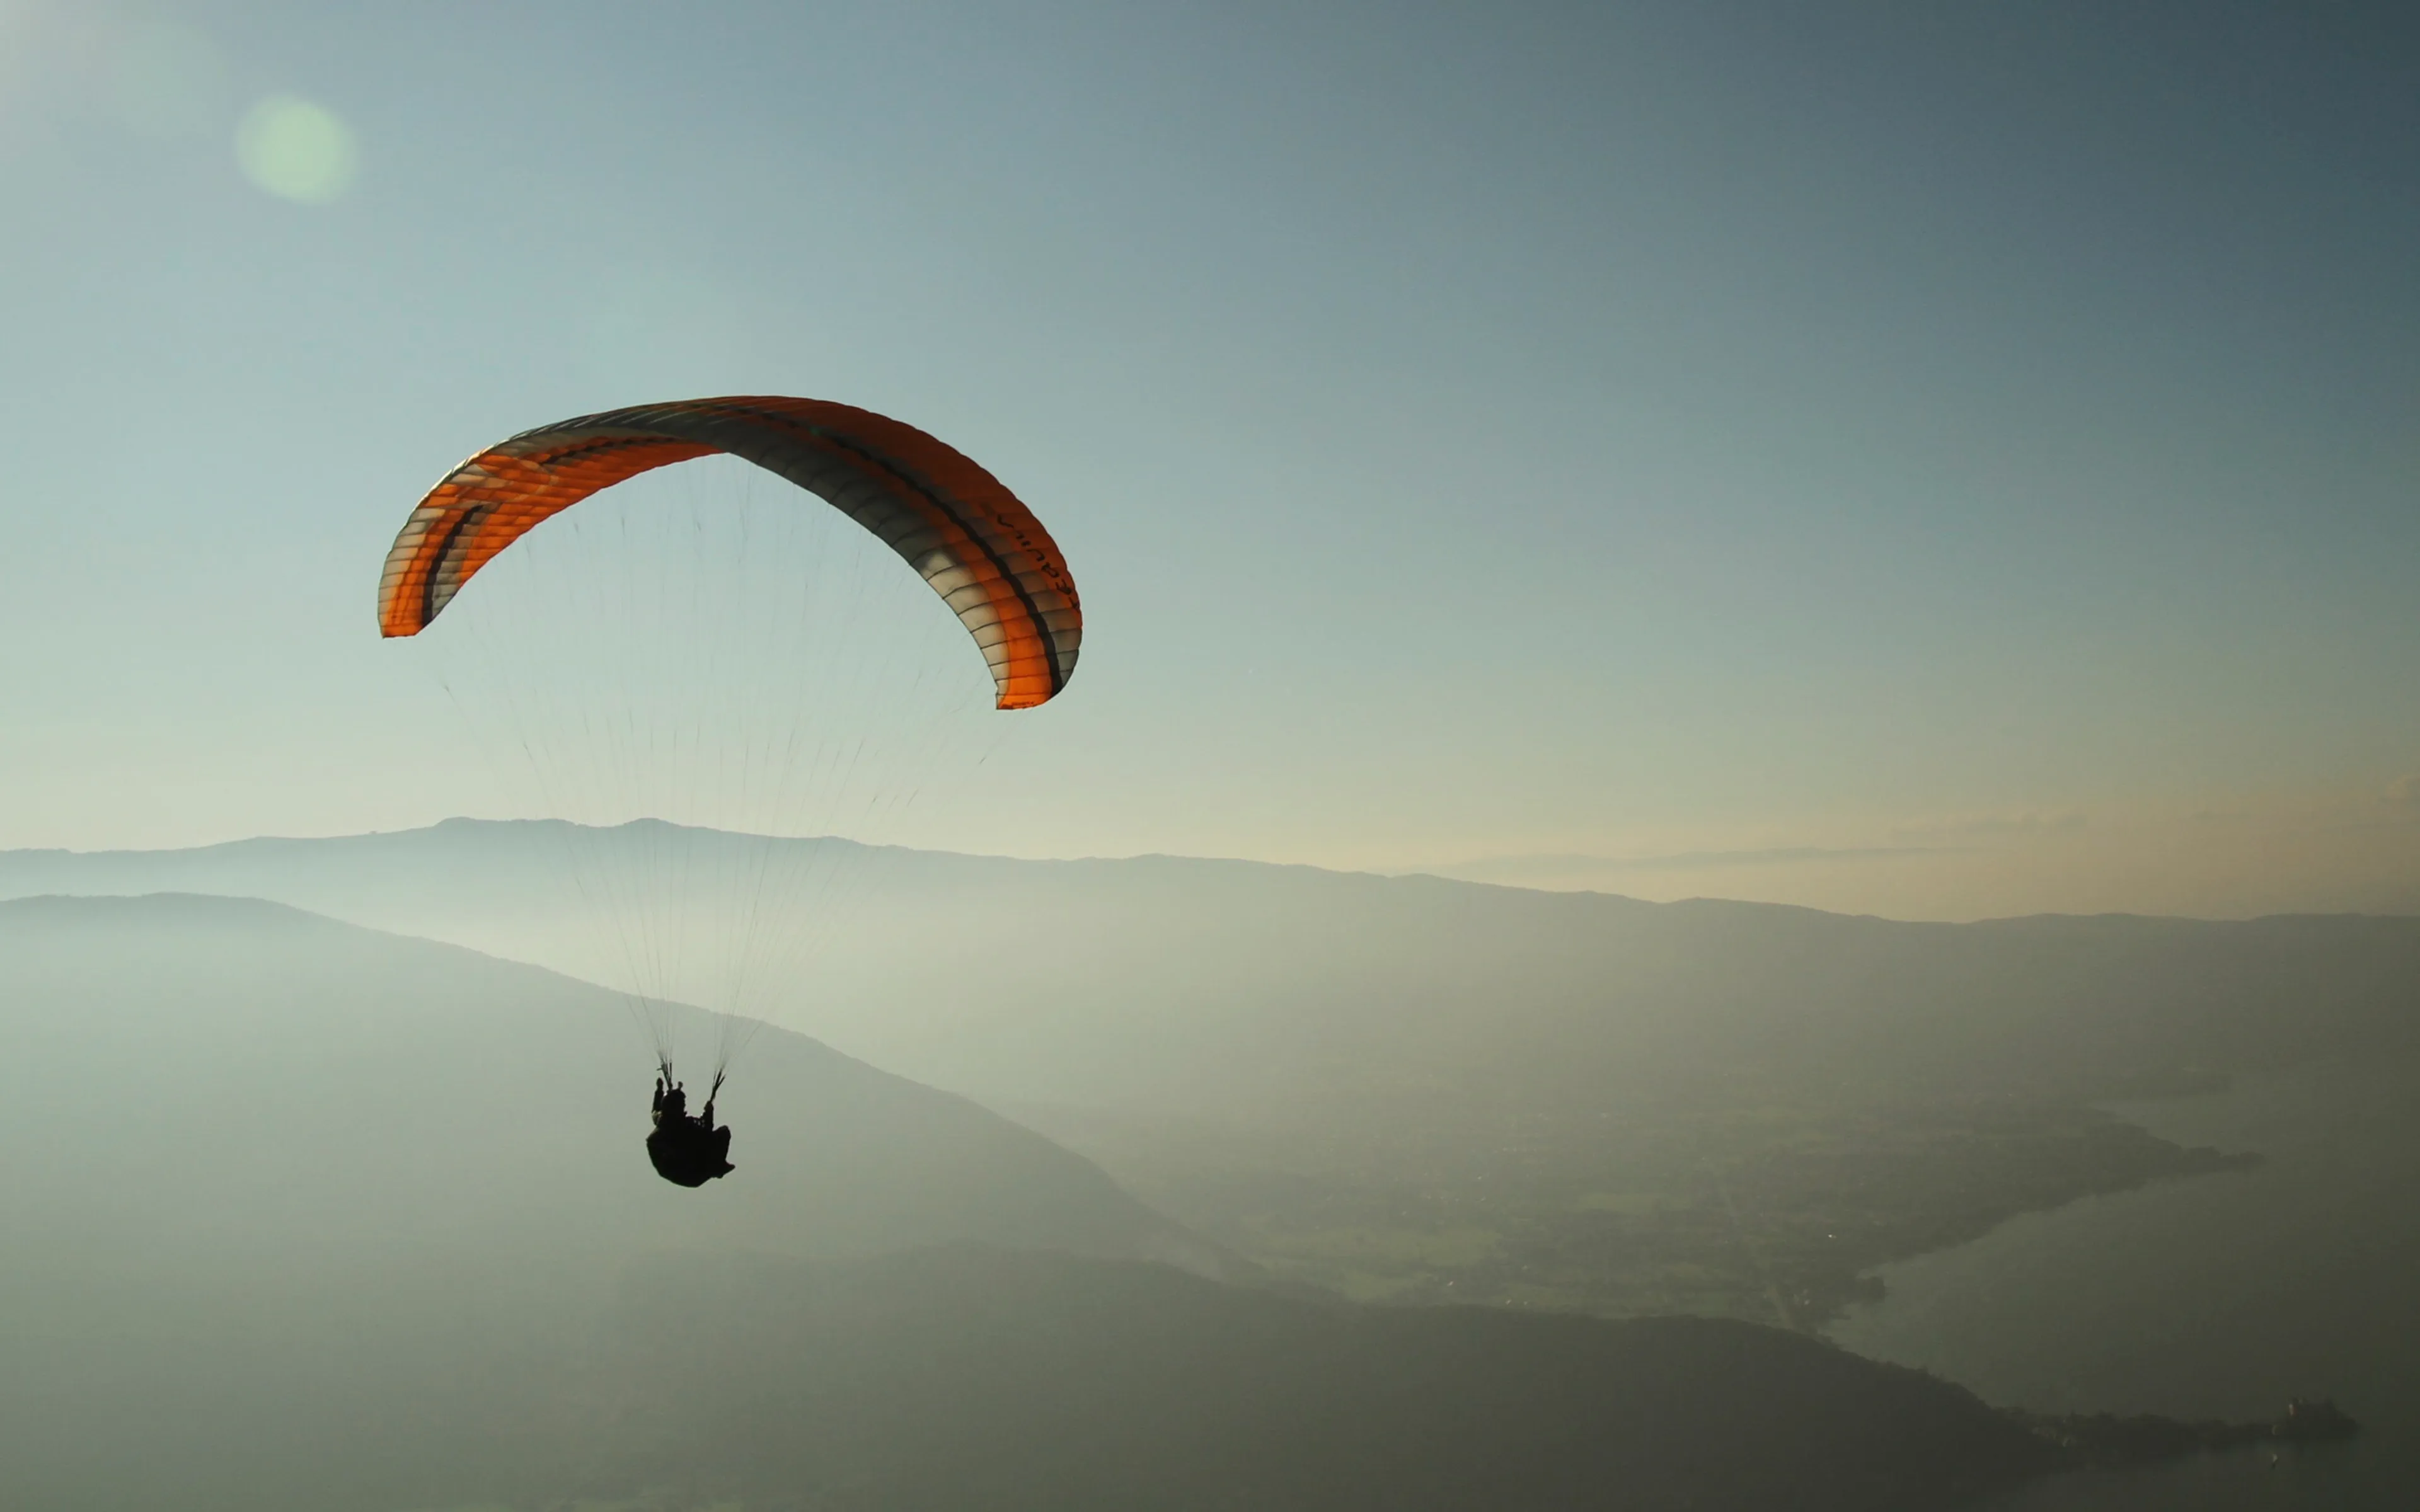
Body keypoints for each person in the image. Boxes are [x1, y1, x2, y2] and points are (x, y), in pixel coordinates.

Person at [646, 1067, 735, 1187]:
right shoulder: (679, 1129)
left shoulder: (664, 1120)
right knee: (724, 1133)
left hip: (687, 1167)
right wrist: (709, 1113)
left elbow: (656, 1109)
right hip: (691, 1173)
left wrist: (659, 1090)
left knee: (722, 1133)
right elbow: (706, 1132)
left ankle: (717, 1165)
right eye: (682, 1106)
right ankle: (718, 1167)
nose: (683, 1109)